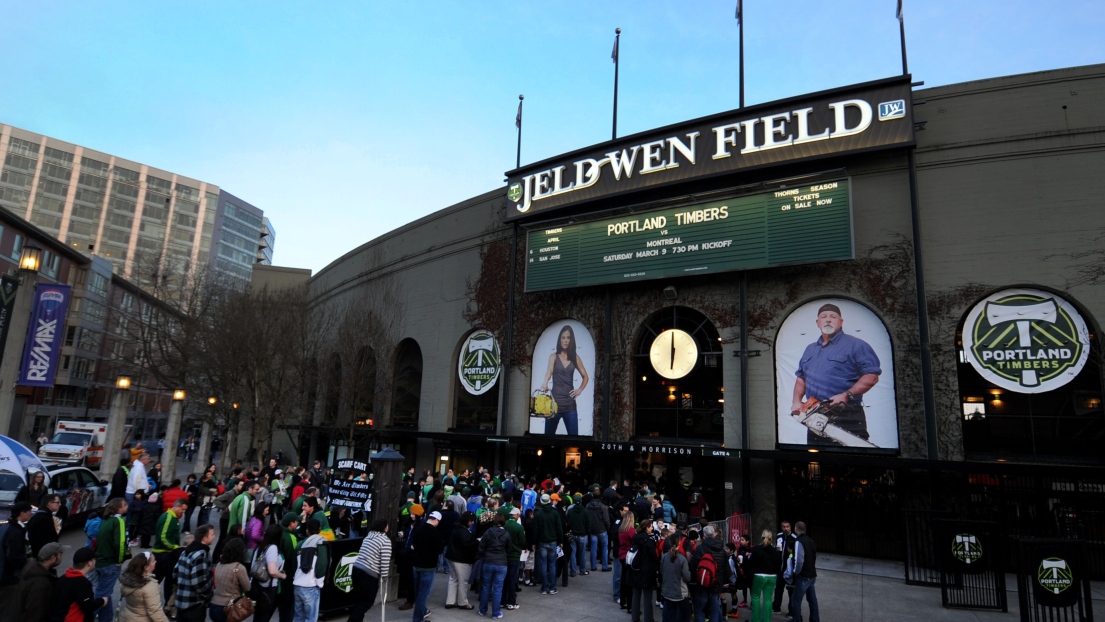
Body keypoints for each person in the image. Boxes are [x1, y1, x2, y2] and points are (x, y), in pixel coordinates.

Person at [789, 303, 881, 445]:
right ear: (817, 323)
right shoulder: (810, 349)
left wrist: (847, 395)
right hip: (814, 415)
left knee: (852, 459)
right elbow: (801, 377)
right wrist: (796, 401)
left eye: (833, 317)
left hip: (847, 416)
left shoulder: (856, 345)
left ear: (841, 321)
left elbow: (872, 375)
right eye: (823, 317)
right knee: (817, 460)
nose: (828, 320)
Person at [539, 324, 590, 435]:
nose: (566, 340)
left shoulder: (575, 358)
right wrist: (545, 382)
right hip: (553, 406)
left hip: (570, 406)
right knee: (547, 440)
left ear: (571, 340)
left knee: (574, 441)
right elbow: (549, 371)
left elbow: (586, 376)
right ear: (560, 340)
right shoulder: (553, 356)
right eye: (563, 338)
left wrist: (580, 390)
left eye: (568, 337)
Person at [348, 518, 391, 622]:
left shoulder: (368, 537)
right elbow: (385, 562)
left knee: (359, 600)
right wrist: (385, 578)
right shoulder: (385, 541)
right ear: (384, 528)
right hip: (369, 573)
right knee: (367, 601)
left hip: (357, 569)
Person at [94, 498, 130, 622]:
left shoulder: (106, 520)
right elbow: (119, 543)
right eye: (125, 505)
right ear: (118, 508)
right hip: (110, 563)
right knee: (102, 594)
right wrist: (120, 560)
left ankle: (106, 619)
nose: (127, 506)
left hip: (100, 561)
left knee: (105, 592)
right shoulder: (119, 521)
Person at [173, 523, 216, 622]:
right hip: (194, 604)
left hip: (181, 602)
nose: (214, 537)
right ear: (204, 538)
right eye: (212, 534)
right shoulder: (201, 554)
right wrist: (208, 595)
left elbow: (175, 573)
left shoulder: (185, 551)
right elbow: (199, 583)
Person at [11, 540, 62, 622]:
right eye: (60, 554)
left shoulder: (33, 569)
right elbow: (35, 614)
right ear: (53, 558)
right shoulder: (40, 584)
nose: (61, 557)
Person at [153, 498, 187, 618]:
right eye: (182, 510)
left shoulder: (173, 518)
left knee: (164, 581)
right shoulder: (168, 517)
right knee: (165, 581)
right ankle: (165, 606)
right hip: (164, 554)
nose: (182, 513)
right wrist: (175, 547)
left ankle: (166, 606)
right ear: (177, 506)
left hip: (166, 553)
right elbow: (163, 537)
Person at [52, 547, 106, 622]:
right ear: (89, 563)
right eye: (94, 560)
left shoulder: (63, 578)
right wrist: (102, 601)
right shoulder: (81, 583)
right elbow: (88, 606)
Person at [410, 510, 445, 622]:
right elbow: (439, 550)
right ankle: (418, 618)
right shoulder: (436, 534)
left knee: (418, 592)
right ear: (436, 520)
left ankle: (422, 611)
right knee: (423, 594)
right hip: (428, 566)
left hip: (416, 564)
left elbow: (413, 544)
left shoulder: (418, 529)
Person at [292, 519, 328, 622]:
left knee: (298, 617)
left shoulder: (300, 544)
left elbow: (294, 564)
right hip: (311, 586)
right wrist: (319, 583)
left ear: (307, 530)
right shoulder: (320, 543)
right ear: (320, 529)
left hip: (297, 585)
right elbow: (321, 566)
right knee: (311, 619)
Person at [118, 551, 170, 622]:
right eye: (153, 561)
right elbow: (155, 611)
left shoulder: (127, 581)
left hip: (126, 617)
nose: (155, 562)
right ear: (146, 567)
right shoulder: (150, 586)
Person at [477, 513, 510, 619]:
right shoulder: (506, 534)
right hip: (501, 563)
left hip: (488, 562)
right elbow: (509, 549)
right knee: (497, 589)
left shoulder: (488, 532)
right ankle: (496, 613)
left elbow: (481, 546)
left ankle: (482, 610)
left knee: (486, 587)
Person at [253, 524, 288, 622]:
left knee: (258, 617)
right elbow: (272, 571)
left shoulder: (261, 547)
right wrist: (282, 575)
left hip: (257, 586)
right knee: (263, 617)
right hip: (267, 588)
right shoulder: (272, 548)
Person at [785, 522, 820, 622]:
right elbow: (814, 556)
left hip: (803, 576)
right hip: (811, 575)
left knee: (796, 600)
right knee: (812, 601)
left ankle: (796, 620)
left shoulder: (799, 541)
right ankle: (815, 619)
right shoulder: (810, 541)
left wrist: (796, 572)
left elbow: (799, 560)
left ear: (796, 529)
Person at [690, 524, 725, 622]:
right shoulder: (722, 549)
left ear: (703, 536)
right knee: (714, 609)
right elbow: (725, 568)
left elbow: (692, 566)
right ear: (714, 534)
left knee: (699, 610)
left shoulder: (700, 548)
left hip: (702, 583)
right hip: (716, 584)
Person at [210, 538, 251, 622]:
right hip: (229, 607)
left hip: (214, 604)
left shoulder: (219, 565)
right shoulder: (239, 568)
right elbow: (247, 587)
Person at [444, 511, 477, 611]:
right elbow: (468, 545)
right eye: (471, 521)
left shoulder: (456, 528)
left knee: (453, 579)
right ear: (468, 521)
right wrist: (477, 542)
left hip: (452, 557)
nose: (472, 523)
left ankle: (450, 601)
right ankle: (462, 602)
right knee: (463, 581)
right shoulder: (464, 531)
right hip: (462, 559)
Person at [747, 529, 781, 622]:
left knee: (755, 597)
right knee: (768, 599)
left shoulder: (757, 549)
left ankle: (755, 619)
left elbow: (751, 563)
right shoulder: (774, 551)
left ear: (762, 537)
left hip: (759, 575)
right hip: (772, 576)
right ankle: (766, 620)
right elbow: (778, 564)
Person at [532, 493, 563, 595]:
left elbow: (535, 530)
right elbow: (559, 528)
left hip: (542, 542)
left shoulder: (538, 514)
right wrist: (561, 541)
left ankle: (544, 587)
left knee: (543, 564)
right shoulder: (555, 513)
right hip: (553, 541)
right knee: (552, 564)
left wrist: (534, 542)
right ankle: (552, 587)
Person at [629, 519, 659, 622]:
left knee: (636, 596)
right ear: (647, 528)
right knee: (647, 598)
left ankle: (635, 617)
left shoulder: (635, 538)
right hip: (647, 572)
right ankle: (648, 619)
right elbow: (653, 557)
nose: (652, 528)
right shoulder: (649, 541)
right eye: (651, 526)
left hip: (635, 570)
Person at [660, 531, 691, 622]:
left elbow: (662, 571)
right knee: (684, 615)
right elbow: (687, 577)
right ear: (680, 543)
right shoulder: (682, 559)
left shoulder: (665, 557)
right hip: (680, 592)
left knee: (668, 614)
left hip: (667, 590)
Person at [277, 512, 302, 622]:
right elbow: (294, 558)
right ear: (291, 523)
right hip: (287, 576)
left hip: (277, 576)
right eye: (296, 522)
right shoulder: (290, 537)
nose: (297, 523)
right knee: (287, 609)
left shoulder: (278, 532)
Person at [501, 506, 525, 611]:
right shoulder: (518, 527)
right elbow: (522, 542)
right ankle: (511, 602)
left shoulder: (504, 525)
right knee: (512, 579)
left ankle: (502, 601)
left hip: (504, 555)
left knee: (504, 579)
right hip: (514, 555)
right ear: (517, 515)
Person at [26, 494, 62, 559]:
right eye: (58, 502)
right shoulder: (43, 518)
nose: (60, 504)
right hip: (43, 557)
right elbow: (44, 540)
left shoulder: (40, 516)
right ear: (50, 504)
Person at [773, 521, 795, 614]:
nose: (785, 528)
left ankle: (791, 611)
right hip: (779, 568)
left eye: (787, 527)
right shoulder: (779, 535)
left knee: (791, 591)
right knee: (778, 588)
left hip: (789, 569)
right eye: (783, 527)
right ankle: (776, 607)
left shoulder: (794, 538)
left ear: (790, 527)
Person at [617, 510, 636, 609]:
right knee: (629, 580)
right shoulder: (631, 530)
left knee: (623, 578)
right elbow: (634, 541)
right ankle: (629, 602)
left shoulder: (621, 529)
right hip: (628, 556)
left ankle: (622, 600)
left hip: (621, 554)